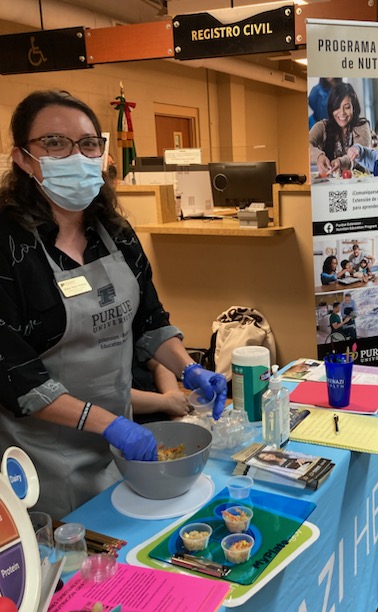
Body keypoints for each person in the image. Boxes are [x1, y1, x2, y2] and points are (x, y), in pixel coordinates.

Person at [0, 89, 227, 518]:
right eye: (54, 143)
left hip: (118, 450)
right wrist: (110, 424)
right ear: (23, 159)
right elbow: (16, 379)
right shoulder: (8, 249)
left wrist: (188, 368)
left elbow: (150, 323)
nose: (75, 155)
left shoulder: (115, 234)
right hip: (44, 460)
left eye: (87, 143)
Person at [309, 82, 371, 175]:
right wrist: (319, 156)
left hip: (359, 182)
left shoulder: (362, 126)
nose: (342, 113)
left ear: (353, 108)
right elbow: (305, 145)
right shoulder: (322, 126)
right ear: (331, 108)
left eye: (347, 107)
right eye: (337, 107)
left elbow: (360, 153)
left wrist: (341, 162)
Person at [131, 357, 192, 425]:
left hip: (163, 409)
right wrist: (166, 402)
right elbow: (119, 397)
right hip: (127, 421)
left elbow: (159, 364)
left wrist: (174, 397)